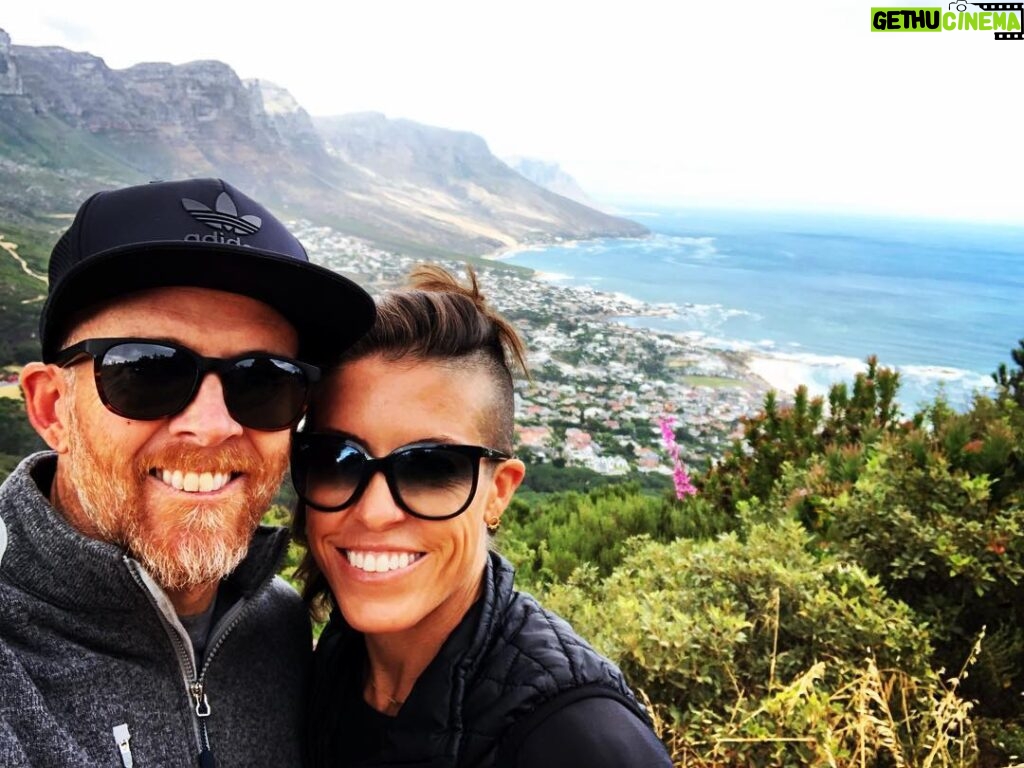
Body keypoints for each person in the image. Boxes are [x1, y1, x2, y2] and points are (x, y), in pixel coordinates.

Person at [0, 178, 375, 767]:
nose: (212, 424)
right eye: (148, 370)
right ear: (52, 409)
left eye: (264, 380)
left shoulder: (279, 627)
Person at [291, 264, 673, 767]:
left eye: (431, 468)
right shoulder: (329, 666)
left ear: (499, 492)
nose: (375, 511)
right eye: (337, 460)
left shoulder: (578, 738)